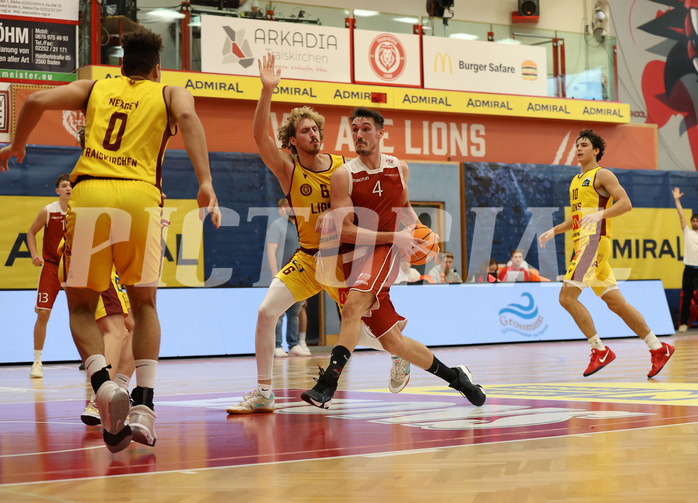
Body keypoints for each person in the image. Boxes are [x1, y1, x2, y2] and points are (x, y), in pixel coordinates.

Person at [0, 28, 221, 453]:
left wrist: (17, 144)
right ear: (157, 68)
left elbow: (33, 101)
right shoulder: (170, 93)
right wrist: (206, 181)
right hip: (141, 197)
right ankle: (144, 406)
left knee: (81, 305)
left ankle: (101, 385)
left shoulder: (96, 88)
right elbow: (191, 119)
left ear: (121, 65)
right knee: (145, 305)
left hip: (91, 193)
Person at [226, 54, 405, 415]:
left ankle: (401, 357)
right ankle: (264, 392)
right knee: (266, 312)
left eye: (316, 129)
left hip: (345, 259)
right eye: (306, 130)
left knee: (367, 331)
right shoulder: (288, 169)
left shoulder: (343, 166)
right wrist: (266, 92)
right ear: (291, 140)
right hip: (310, 258)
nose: (315, 134)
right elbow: (259, 136)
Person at [300, 107, 486, 409]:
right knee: (392, 342)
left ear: (380, 133)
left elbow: (406, 207)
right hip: (353, 257)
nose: (359, 135)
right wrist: (396, 236)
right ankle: (457, 378)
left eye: (366, 129)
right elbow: (347, 230)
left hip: (383, 252)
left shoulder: (399, 168)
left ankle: (327, 384)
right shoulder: (343, 175)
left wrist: (423, 233)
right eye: (355, 129)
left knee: (352, 309)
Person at [539, 129, 674, 378]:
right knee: (616, 303)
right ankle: (658, 347)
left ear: (596, 150)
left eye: (584, 145)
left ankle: (598, 350)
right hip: (583, 243)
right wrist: (554, 231)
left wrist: (601, 214)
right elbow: (579, 217)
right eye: (577, 145)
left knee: (567, 298)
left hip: (594, 244)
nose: (578, 149)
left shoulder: (602, 174)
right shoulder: (575, 180)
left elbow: (625, 203)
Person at [26, 174, 72, 378]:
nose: (68, 188)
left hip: (74, 268)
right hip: (52, 266)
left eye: (71, 185)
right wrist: (35, 255)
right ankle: (37, 362)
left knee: (84, 315)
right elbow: (31, 233)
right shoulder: (48, 210)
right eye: (64, 186)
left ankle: (91, 360)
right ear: (58, 191)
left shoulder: (81, 210)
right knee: (43, 313)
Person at [267, 198, 310, 357]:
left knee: (295, 312)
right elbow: (271, 252)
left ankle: (293, 345)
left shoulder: (300, 226)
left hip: (298, 277)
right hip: (282, 276)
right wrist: (275, 276)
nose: (289, 209)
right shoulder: (277, 226)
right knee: (278, 312)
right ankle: (277, 345)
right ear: (281, 210)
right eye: (285, 207)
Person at [672, 187, 698, 332]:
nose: (695, 223)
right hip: (689, 269)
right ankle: (684, 323)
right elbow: (681, 215)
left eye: (697, 221)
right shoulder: (687, 232)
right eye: (693, 221)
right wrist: (677, 200)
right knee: (686, 298)